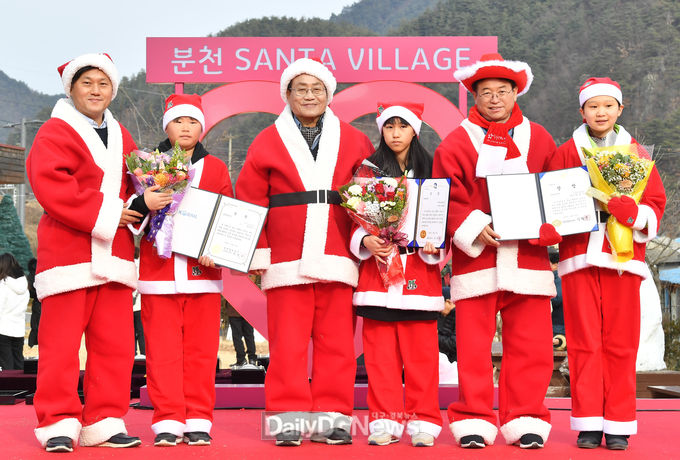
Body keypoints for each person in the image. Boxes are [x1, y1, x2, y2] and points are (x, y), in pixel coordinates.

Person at [26, 53, 167, 452]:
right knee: (60, 346)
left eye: (103, 84)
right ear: (71, 89)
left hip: (115, 253)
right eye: (86, 83)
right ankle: (57, 422)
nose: (95, 90)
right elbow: (51, 185)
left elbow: (137, 185)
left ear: (113, 90)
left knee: (114, 346)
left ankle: (104, 421)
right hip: (68, 253)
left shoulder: (122, 135)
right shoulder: (54, 132)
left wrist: (147, 201)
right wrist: (108, 213)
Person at [236, 57, 373, 446]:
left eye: (317, 89)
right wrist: (258, 252)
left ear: (329, 94)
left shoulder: (354, 140)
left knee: (337, 344)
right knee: (287, 345)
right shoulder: (267, 140)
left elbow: (368, 197)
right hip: (285, 258)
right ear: (288, 94)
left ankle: (334, 415)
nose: (309, 96)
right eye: (301, 89)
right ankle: (287, 417)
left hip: (338, 253)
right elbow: (249, 198)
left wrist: (365, 241)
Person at [432, 53, 559, 449]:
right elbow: (444, 196)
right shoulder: (456, 141)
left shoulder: (540, 138)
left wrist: (553, 221)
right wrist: (471, 225)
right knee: (472, 349)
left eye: (502, 91)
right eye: (485, 92)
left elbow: (556, 189)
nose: (494, 99)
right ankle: (473, 418)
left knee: (532, 347)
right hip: (478, 261)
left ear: (515, 93)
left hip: (529, 260)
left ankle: (527, 418)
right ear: (474, 95)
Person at [550, 77, 666, 450]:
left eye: (607, 105)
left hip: (623, 256)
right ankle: (588, 422)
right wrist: (549, 227)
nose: (600, 112)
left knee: (621, 342)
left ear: (620, 109)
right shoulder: (565, 152)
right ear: (581, 111)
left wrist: (636, 213)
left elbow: (656, 202)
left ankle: (618, 423)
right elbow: (550, 198)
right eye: (593, 106)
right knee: (583, 342)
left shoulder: (637, 153)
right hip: (578, 257)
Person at [133, 94, 233, 447]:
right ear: (167, 126)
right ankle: (167, 419)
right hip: (158, 272)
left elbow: (227, 216)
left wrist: (218, 250)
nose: (186, 127)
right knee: (161, 352)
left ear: (202, 127)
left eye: (193, 121)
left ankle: (199, 418)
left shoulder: (216, 168)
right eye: (178, 121)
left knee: (201, 353)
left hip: (202, 275)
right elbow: (133, 215)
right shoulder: (146, 165)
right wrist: (145, 204)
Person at [350, 102, 444, 447]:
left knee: (421, 358)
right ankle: (384, 421)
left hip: (419, 272)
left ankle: (424, 421)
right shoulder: (368, 171)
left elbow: (443, 219)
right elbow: (354, 219)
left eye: (403, 126)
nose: (395, 134)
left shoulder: (433, 170)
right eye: (389, 127)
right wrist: (365, 240)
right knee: (379, 357)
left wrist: (436, 244)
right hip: (377, 274)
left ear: (414, 130)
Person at [0, 253, 29, 370]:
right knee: (19, 365)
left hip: (3, 329)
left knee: (6, 366)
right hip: (19, 330)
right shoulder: (24, 286)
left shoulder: (3, 285)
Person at [227, 303, 257, 368]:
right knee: (249, 336)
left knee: (237, 337)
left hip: (234, 311)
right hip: (248, 310)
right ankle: (252, 359)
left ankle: (241, 360)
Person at [26, 258, 40, 348]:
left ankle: (32, 344)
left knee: (35, 324)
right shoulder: (41, 274)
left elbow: (30, 293)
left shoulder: (30, 275)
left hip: (36, 303)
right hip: (44, 301)